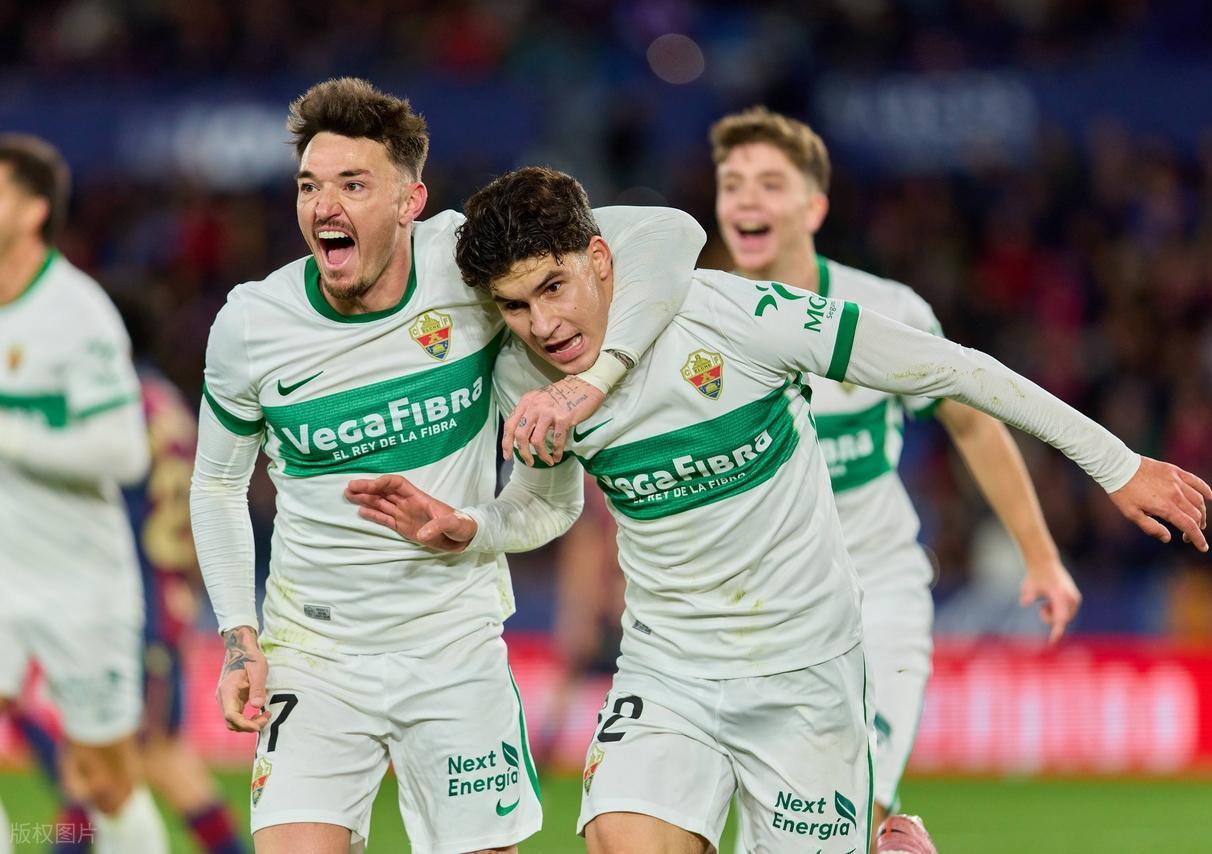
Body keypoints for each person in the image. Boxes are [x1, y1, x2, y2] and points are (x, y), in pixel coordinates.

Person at [345, 166, 1212, 854]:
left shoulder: (737, 317)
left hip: (806, 674)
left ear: (601, 259)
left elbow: (952, 367)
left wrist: (1117, 463)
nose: (541, 324)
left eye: (553, 287)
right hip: (668, 670)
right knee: (621, 838)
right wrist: (478, 528)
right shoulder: (525, 376)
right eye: (515, 306)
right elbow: (547, 507)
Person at [191, 78, 704, 854]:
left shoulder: (464, 268)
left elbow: (669, 234)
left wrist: (584, 391)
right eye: (309, 186)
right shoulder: (252, 326)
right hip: (314, 656)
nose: (324, 206)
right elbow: (217, 483)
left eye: (353, 185)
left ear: (411, 201)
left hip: (453, 649)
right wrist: (240, 636)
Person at [709, 105, 1083, 845]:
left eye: (770, 184)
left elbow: (973, 422)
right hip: (755, 608)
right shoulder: (695, 319)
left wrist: (1040, 556)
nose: (747, 199)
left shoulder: (883, 309)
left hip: (877, 588)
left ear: (814, 207)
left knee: (855, 791)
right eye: (732, 184)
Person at [14, 292, 246, 854]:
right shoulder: (168, 403)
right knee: (154, 759)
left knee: (101, 767)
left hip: (125, 604)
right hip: (167, 603)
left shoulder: (116, 407)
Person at [0, 135, 168, 852]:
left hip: (79, 579)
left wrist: (10, 436)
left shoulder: (76, 311)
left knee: (105, 778)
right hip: (2, 570)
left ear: (33, 211)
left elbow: (124, 452)